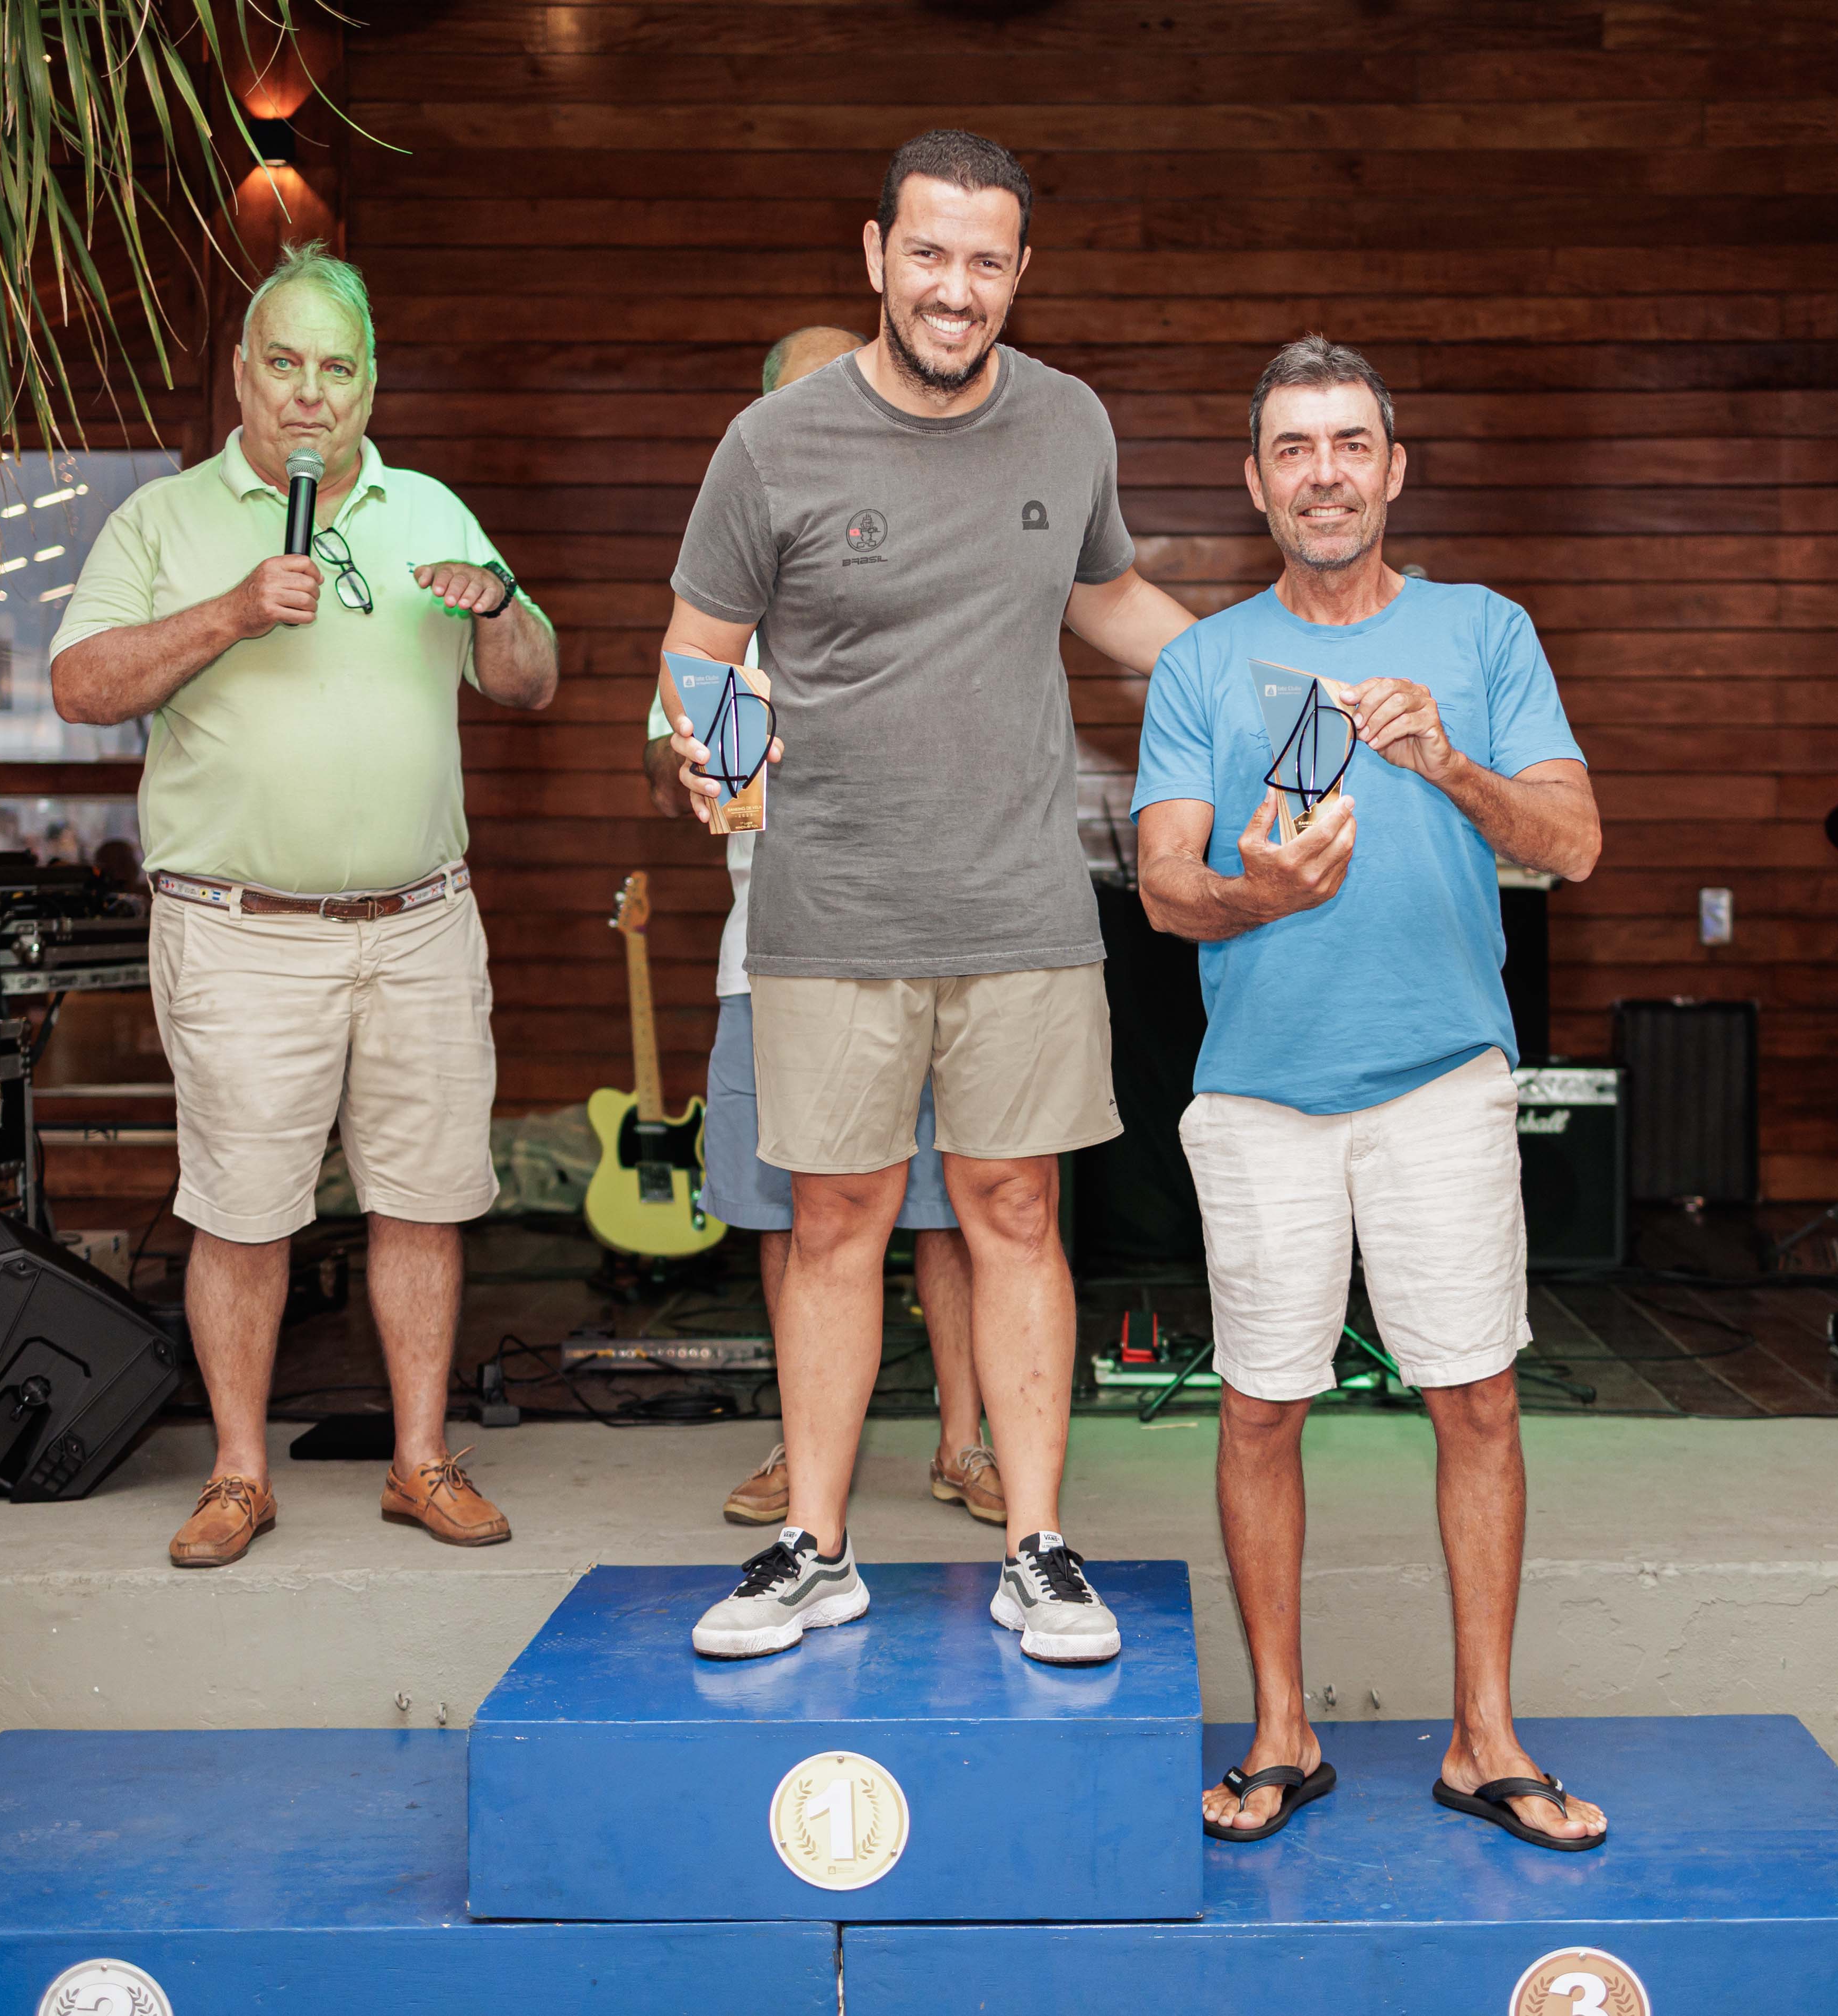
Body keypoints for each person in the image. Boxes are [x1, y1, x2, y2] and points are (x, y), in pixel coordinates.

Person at [661, 131, 1197, 1664]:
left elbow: (1106, 599)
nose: (954, 288)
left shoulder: (1068, 422)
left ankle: (1037, 1548)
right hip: (830, 907)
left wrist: (1265, 673)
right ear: (874, 253)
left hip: (1022, 902)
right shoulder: (772, 442)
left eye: (985, 261)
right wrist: (688, 749)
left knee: (1014, 1208)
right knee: (834, 1218)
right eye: (928, 254)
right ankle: (816, 1548)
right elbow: (695, 655)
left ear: (1020, 273)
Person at [1131, 337, 1606, 1848]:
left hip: (1438, 1079)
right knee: (1261, 1408)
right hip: (1260, 1093)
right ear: (1255, 480)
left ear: (1394, 469)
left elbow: (1575, 843)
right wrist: (1254, 897)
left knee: (1477, 1397)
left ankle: (1484, 1738)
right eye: (1294, 447)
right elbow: (1162, 884)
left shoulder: (1484, 630)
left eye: (1349, 444)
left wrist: (1450, 764)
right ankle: (1283, 1729)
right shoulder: (1203, 663)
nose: (1323, 473)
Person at [51, 243, 558, 1568]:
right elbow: (81, 685)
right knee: (242, 1209)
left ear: (370, 385)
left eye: (337, 368)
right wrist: (225, 614)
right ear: (242, 375)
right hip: (240, 930)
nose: (310, 393)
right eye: (285, 363)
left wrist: (500, 607)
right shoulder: (163, 521)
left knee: (423, 1200)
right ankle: (238, 1476)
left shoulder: (429, 507)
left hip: (420, 925)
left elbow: (531, 681)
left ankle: (420, 1462)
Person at [642, 323, 1002, 1532]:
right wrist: (689, 767)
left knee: (949, 1210)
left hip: (938, 942)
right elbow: (661, 761)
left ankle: (963, 1441)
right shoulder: (729, 576)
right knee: (788, 1213)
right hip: (775, 951)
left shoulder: (928, 566)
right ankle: (806, 1454)